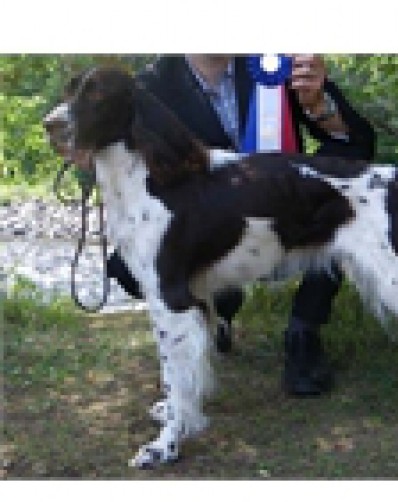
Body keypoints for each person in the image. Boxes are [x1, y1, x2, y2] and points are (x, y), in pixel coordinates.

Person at [104, 54, 376, 396]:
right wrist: (85, 148)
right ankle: (214, 318)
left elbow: (358, 147)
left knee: (339, 206)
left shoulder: (278, 65)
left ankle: (304, 330)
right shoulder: (151, 84)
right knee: (127, 265)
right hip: (211, 231)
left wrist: (319, 104)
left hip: (288, 222)